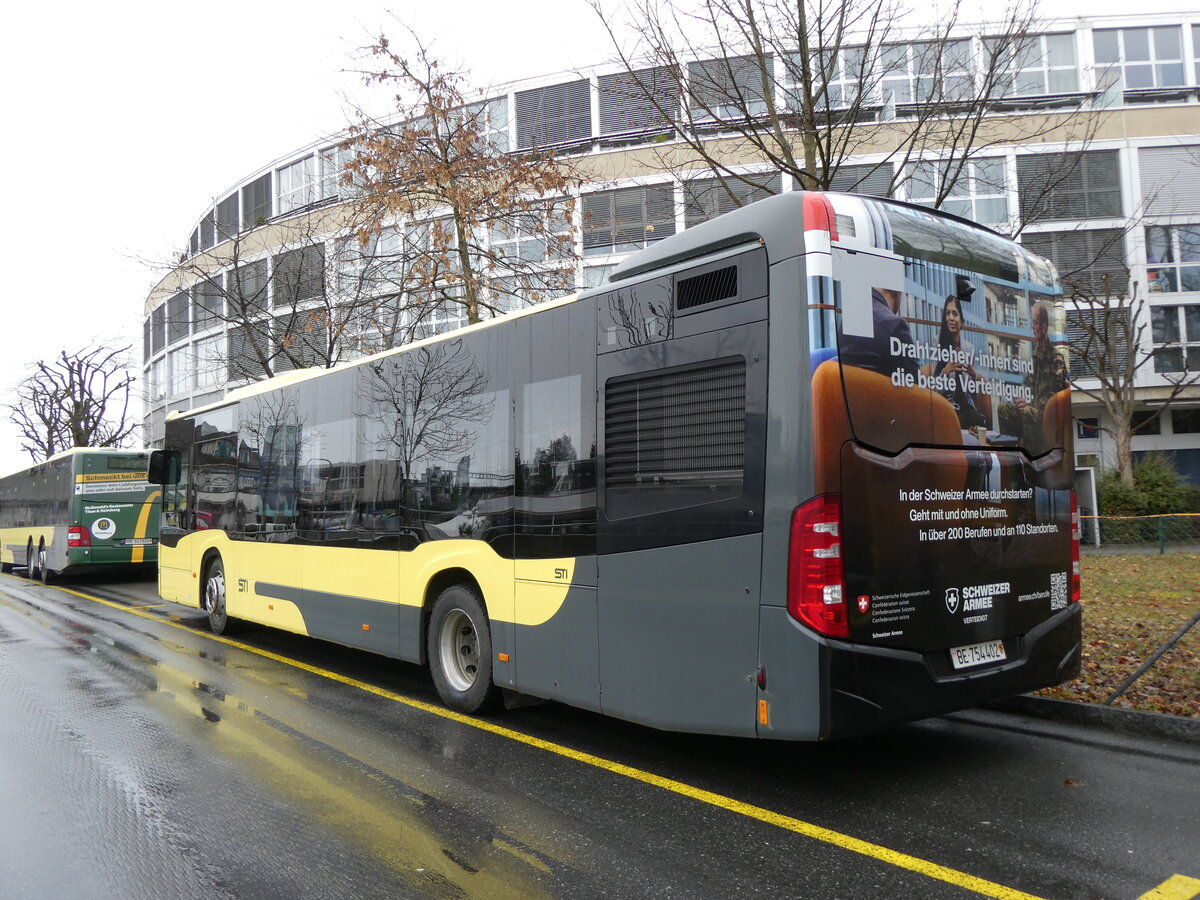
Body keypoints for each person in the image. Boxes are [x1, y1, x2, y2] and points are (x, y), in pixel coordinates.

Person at [999, 300, 1067, 448]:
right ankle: (1011, 450)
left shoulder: (1057, 359)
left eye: (1035, 322)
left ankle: (1029, 454)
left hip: (1044, 414)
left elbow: (1055, 395)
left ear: (1043, 327)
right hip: (1030, 408)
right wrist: (1021, 399)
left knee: (1028, 413)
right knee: (1003, 409)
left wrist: (1030, 406)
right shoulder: (1034, 357)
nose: (1032, 326)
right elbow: (1027, 384)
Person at [838, 286, 919, 380]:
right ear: (897, 293)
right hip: (884, 393)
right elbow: (914, 382)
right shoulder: (895, 324)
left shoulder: (849, 318)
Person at [933, 296, 988, 430]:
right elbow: (934, 390)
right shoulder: (937, 342)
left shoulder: (969, 349)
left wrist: (973, 378)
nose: (951, 318)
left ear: (961, 321)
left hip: (966, 405)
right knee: (960, 421)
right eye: (947, 313)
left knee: (980, 421)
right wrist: (946, 372)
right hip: (947, 404)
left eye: (955, 314)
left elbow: (973, 396)